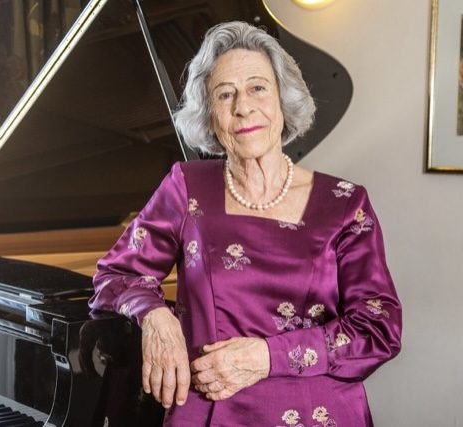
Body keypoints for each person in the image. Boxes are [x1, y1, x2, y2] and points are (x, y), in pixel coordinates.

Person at [89, 21, 402, 427]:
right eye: (225, 94)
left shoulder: (345, 204)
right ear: (210, 114)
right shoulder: (187, 187)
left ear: (283, 98)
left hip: (318, 413)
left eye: (258, 88)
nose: (243, 107)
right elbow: (115, 275)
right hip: (211, 412)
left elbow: (379, 328)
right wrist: (155, 316)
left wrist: (266, 357)